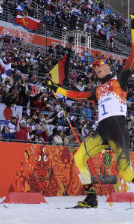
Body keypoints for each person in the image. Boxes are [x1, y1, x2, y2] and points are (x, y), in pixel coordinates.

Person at [47, 16, 134, 208]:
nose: (96, 69)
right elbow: (78, 95)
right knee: (79, 157)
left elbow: (131, 59)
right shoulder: (97, 89)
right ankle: (91, 198)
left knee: (126, 173)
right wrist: (57, 90)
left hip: (118, 129)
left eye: (100, 65)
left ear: (108, 66)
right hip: (102, 130)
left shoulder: (120, 78)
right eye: (94, 68)